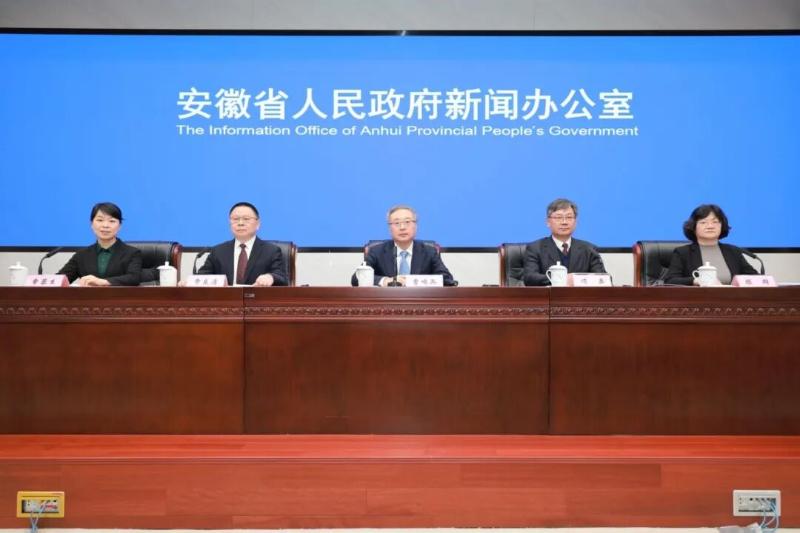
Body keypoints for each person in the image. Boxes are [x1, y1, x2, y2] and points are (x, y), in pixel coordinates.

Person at [351, 205, 456, 286]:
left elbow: (447, 279)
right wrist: (385, 281)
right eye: (396, 223)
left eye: (407, 222)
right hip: (387, 303)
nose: (402, 227)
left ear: (415, 226)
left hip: (420, 303)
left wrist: (414, 281)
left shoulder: (429, 252)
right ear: (390, 228)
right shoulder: (376, 251)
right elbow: (356, 279)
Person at [196, 202, 288, 286]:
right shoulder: (218, 251)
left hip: (257, 298)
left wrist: (270, 277)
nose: (240, 223)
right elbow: (201, 277)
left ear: (258, 224)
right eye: (235, 219)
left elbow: (281, 277)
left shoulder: (271, 251)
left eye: (246, 219)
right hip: (226, 298)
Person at [664, 204, 758, 286]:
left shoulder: (733, 251)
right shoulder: (683, 253)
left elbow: (755, 278)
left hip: (732, 299)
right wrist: (696, 280)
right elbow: (670, 281)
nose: (710, 226)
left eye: (715, 222)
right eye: (703, 222)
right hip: (697, 299)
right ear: (693, 228)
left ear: (722, 226)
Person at [522, 198, 606, 286]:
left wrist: (576, 280)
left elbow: (604, 279)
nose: (564, 222)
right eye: (558, 217)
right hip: (550, 294)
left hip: (579, 295)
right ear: (548, 222)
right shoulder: (535, 248)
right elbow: (530, 278)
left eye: (569, 217)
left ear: (575, 222)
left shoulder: (589, 249)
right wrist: (563, 280)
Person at [57, 202, 142, 286]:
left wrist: (103, 282)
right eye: (100, 220)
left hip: (120, 295)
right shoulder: (81, 255)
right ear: (91, 224)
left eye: (112, 221)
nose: (105, 225)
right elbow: (59, 280)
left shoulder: (132, 253)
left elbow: (134, 278)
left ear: (119, 226)